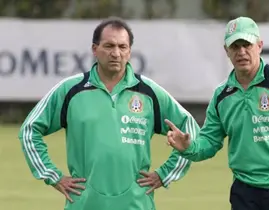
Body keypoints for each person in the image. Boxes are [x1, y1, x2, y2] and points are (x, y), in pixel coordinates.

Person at [18, 17, 200, 210]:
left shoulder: (148, 92)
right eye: (109, 46)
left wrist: (165, 174)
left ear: (130, 51)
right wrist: (53, 176)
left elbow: (190, 129)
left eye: (122, 47)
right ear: (94, 49)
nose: (116, 53)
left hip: (136, 204)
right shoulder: (71, 91)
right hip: (85, 204)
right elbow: (29, 130)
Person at [165, 16, 269, 210]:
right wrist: (189, 146)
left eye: (246, 45)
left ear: (259, 45)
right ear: (226, 51)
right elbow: (209, 142)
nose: (241, 52)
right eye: (235, 46)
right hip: (244, 192)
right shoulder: (222, 95)